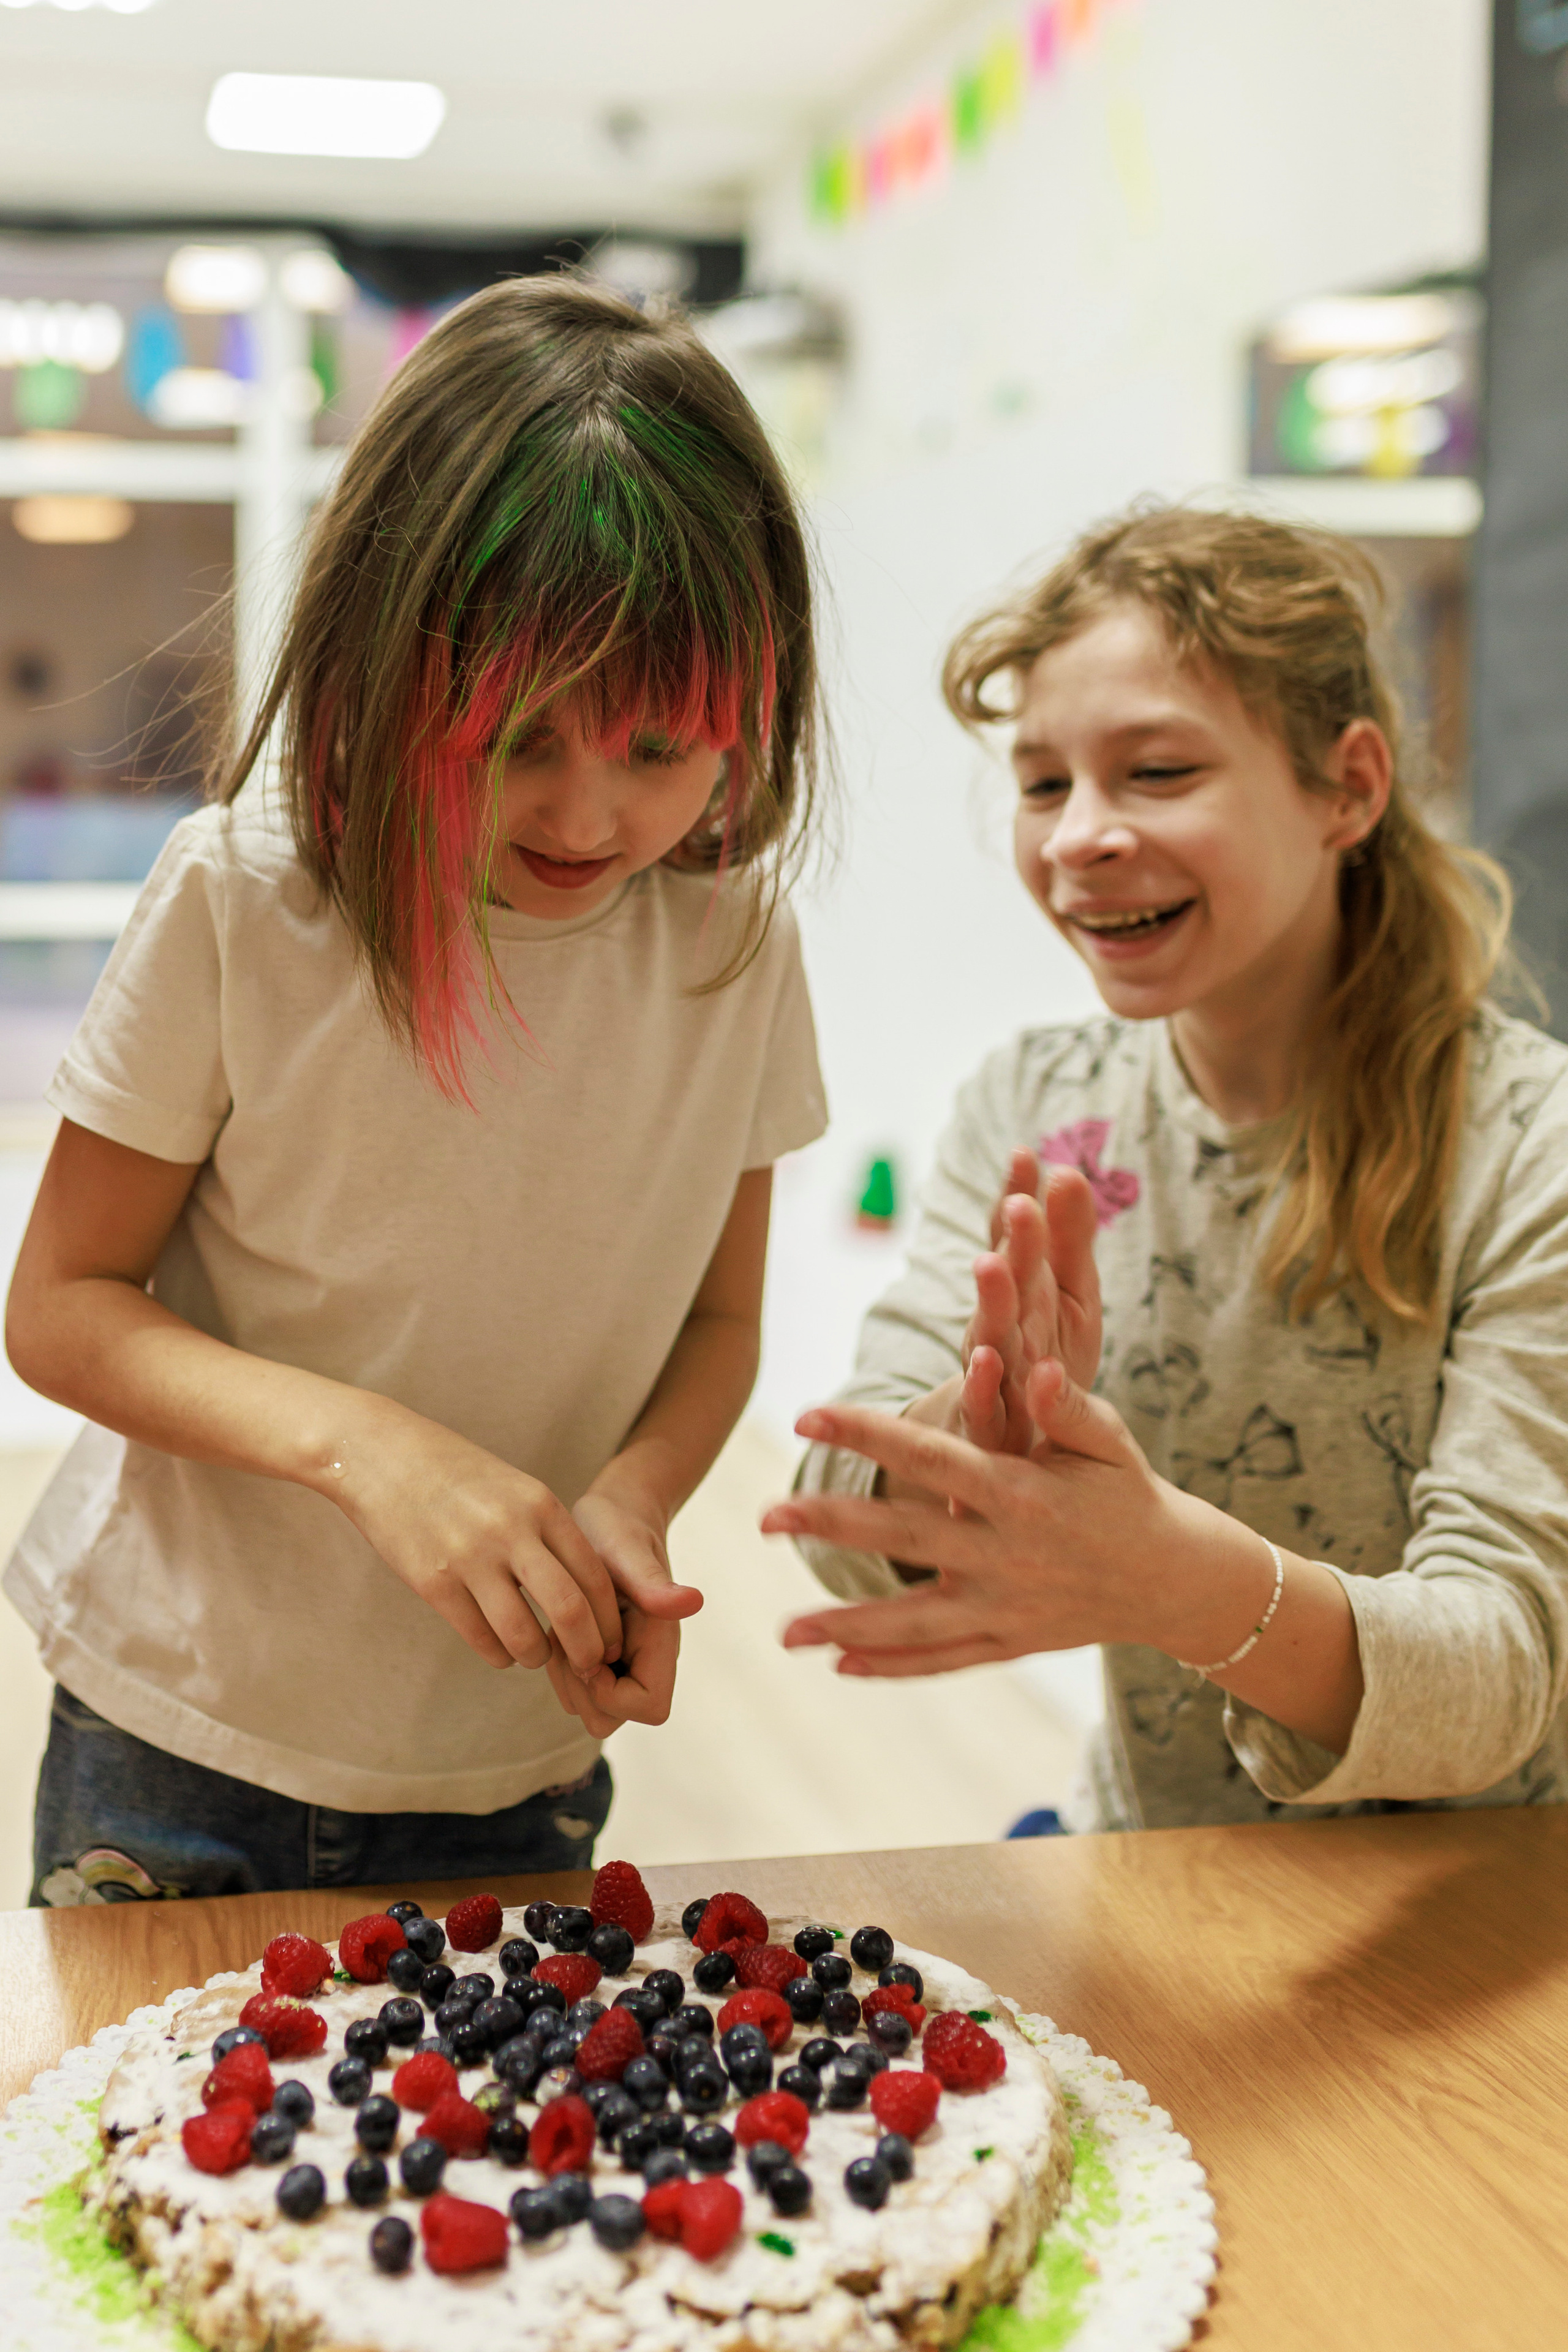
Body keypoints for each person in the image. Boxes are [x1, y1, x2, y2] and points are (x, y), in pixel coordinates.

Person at [4, 276, 827, 1904]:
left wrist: (636, 1504)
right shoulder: (245, 898)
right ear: (384, 666)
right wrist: (369, 1451)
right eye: (521, 740)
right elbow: (62, 1308)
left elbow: (720, 1323)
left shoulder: (733, 944)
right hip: (180, 1729)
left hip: (513, 1749)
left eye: (659, 750)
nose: (588, 817)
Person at [765, 505, 1568, 1833]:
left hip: (1483, 1916)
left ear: (1349, 788)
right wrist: (965, 1445)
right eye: (1042, 785)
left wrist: (1179, 1586)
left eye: (1154, 772)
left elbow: (1504, 1674)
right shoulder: (1033, 1106)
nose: (1076, 836)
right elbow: (841, 1523)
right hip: (1155, 1876)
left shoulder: (1531, 1145)